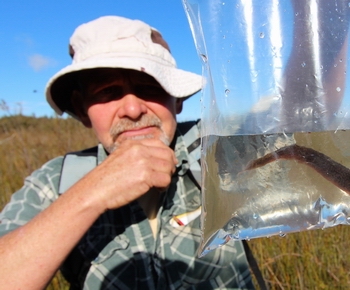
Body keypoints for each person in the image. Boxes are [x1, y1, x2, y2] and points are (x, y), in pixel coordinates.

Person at [0, 16, 255, 289]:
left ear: (177, 100)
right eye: (108, 92)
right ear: (82, 108)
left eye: (149, 88)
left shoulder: (216, 148)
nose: (133, 110)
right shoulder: (53, 183)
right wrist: (92, 193)